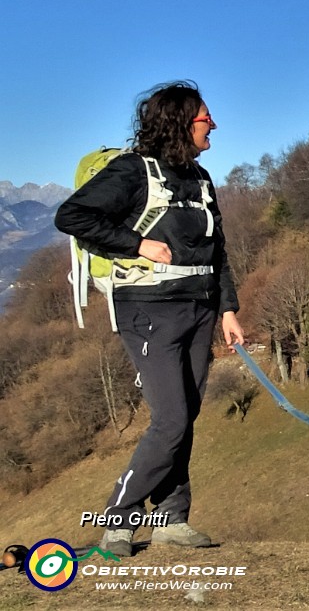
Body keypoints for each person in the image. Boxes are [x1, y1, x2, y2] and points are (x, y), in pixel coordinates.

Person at [55, 81, 244, 556]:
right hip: (147, 310)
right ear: (182, 122)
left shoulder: (200, 179)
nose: (213, 125)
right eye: (205, 118)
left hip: (199, 309)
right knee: (172, 419)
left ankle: (172, 519)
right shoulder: (134, 172)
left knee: (186, 416)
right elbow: (72, 215)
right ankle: (118, 522)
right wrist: (137, 244)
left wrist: (227, 308)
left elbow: (217, 249)